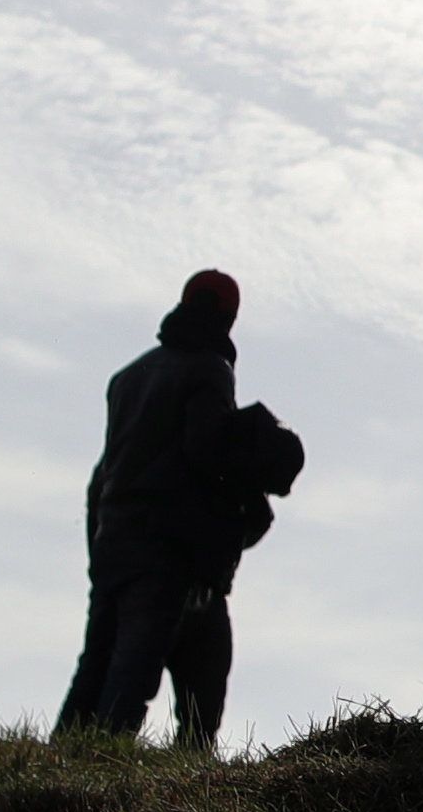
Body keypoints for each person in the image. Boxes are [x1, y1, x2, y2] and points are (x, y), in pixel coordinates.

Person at [55, 269, 287, 749]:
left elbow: (106, 471)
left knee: (98, 659)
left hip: (114, 541)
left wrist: (98, 543)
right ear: (230, 317)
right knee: (133, 672)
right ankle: (97, 767)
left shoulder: (128, 377)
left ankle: (64, 760)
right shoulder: (209, 370)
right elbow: (207, 452)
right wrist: (255, 484)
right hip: (165, 549)